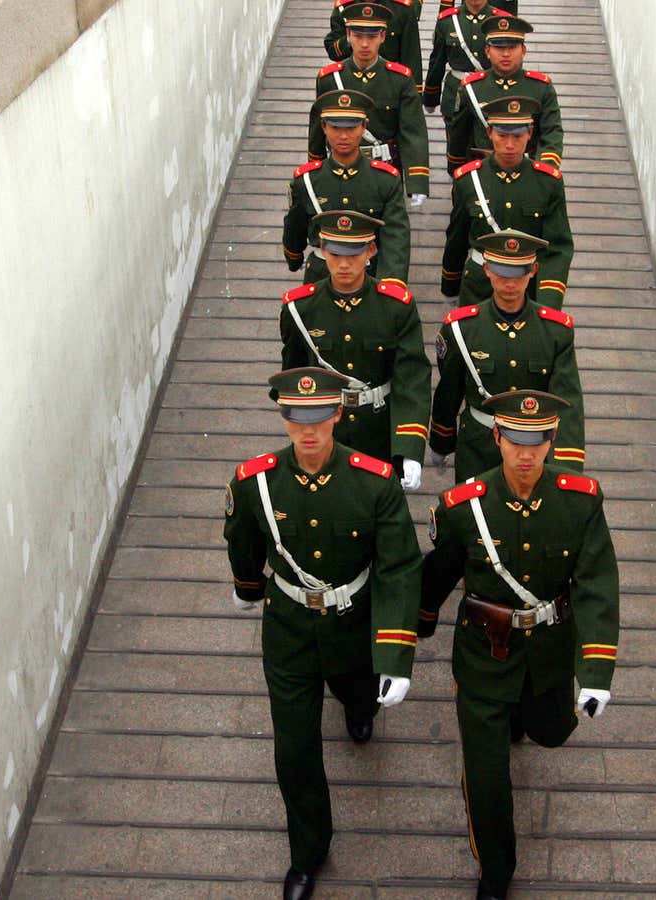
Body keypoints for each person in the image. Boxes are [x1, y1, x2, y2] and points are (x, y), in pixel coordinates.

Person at [226, 367, 423, 900]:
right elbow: (241, 539)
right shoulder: (255, 483)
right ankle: (307, 853)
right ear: (283, 418)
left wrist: (395, 655)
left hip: (353, 625)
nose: (307, 431)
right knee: (294, 748)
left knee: (358, 694)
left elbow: (400, 568)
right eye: (295, 418)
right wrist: (248, 587)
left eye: (318, 418)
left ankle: (359, 707)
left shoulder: (373, 482)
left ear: (338, 413)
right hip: (288, 629)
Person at [419, 389, 619, 900]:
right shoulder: (464, 508)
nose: (526, 454)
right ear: (497, 438)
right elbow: (437, 573)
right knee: (487, 776)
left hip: (549, 649)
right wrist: (412, 629)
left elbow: (596, 584)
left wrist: (595, 672)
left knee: (551, 731)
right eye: (515, 441)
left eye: (538, 442)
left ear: (552, 442)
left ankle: (524, 719)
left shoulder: (580, 500)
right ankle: (495, 870)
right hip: (484, 653)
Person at [280, 210, 431, 491]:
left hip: (378, 429)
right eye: (336, 255)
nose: (344, 265)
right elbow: (292, 376)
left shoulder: (396, 307)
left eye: (354, 254)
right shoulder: (300, 308)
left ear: (371, 250)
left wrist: (409, 447)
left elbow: (411, 379)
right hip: (324, 428)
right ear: (323, 250)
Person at [429, 230, 584, 482]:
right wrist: (441, 439)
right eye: (502, 273)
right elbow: (449, 391)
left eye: (518, 273)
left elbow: (567, 398)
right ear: (487, 269)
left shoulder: (555, 331)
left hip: (534, 451)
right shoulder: (461, 328)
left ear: (533, 270)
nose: (510, 284)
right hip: (478, 449)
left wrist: (568, 466)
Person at [441, 96, 573, 308]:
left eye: (518, 136)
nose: (510, 144)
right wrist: (450, 283)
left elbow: (558, 246)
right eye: (502, 135)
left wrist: (549, 301)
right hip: (479, 286)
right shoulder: (469, 179)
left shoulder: (547, 182)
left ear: (530, 133)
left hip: (528, 288)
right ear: (489, 133)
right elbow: (457, 236)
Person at [285, 90, 410, 287]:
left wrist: (391, 284)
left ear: (364, 127)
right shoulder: (307, 180)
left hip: (370, 272)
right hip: (322, 273)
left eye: (352, 128)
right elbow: (295, 226)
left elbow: (396, 235)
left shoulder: (385, 180)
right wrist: (294, 257)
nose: (343, 136)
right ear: (324, 127)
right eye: (335, 127)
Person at [310, 3, 430, 207]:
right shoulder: (330, 79)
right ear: (349, 35)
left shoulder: (400, 79)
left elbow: (412, 130)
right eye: (358, 36)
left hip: (385, 164)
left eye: (372, 37)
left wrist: (416, 180)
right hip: (341, 165)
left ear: (382, 37)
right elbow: (317, 130)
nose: (365, 44)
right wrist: (315, 169)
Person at [446, 14, 563, 170]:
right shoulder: (471, 87)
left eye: (512, 47)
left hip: (528, 169)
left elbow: (551, 132)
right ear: (487, 51)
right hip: (483, 170)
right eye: (499, 47)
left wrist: (545, 169)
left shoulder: (541, 87)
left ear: (523, 50)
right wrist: (457, 170)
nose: (506, 54)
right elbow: (459, 135)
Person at [423, 0, 509, 158]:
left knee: (487, 149)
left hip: (490, 95)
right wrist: (431, 97)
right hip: (457, 94)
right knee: (456, 151)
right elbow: (437, 61)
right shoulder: (447, 21)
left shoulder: (502, 21)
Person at [325, 0, 420, 81]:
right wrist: (352, 37)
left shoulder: (402, 9)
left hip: (390, 83)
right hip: (351, 81)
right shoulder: (344, 7)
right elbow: (333, 51)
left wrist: (413, 96)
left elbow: (411, 57)